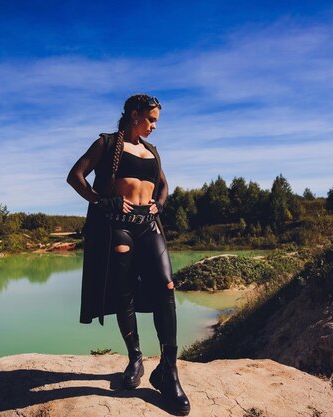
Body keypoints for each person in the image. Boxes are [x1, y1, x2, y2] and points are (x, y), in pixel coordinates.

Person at [66, 94, 191, 415]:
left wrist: (159, 204)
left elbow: (164, 185)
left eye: (156, 122)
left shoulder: (152, 151)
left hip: (148, 224)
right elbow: (75, 176)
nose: (154, 127)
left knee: (166, 286)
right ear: (134, 115)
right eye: (151, 120)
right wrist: (100, 200)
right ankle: (135, 358)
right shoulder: (107, 144)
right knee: (124, 292)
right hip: (116, 224)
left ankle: (168, 371)